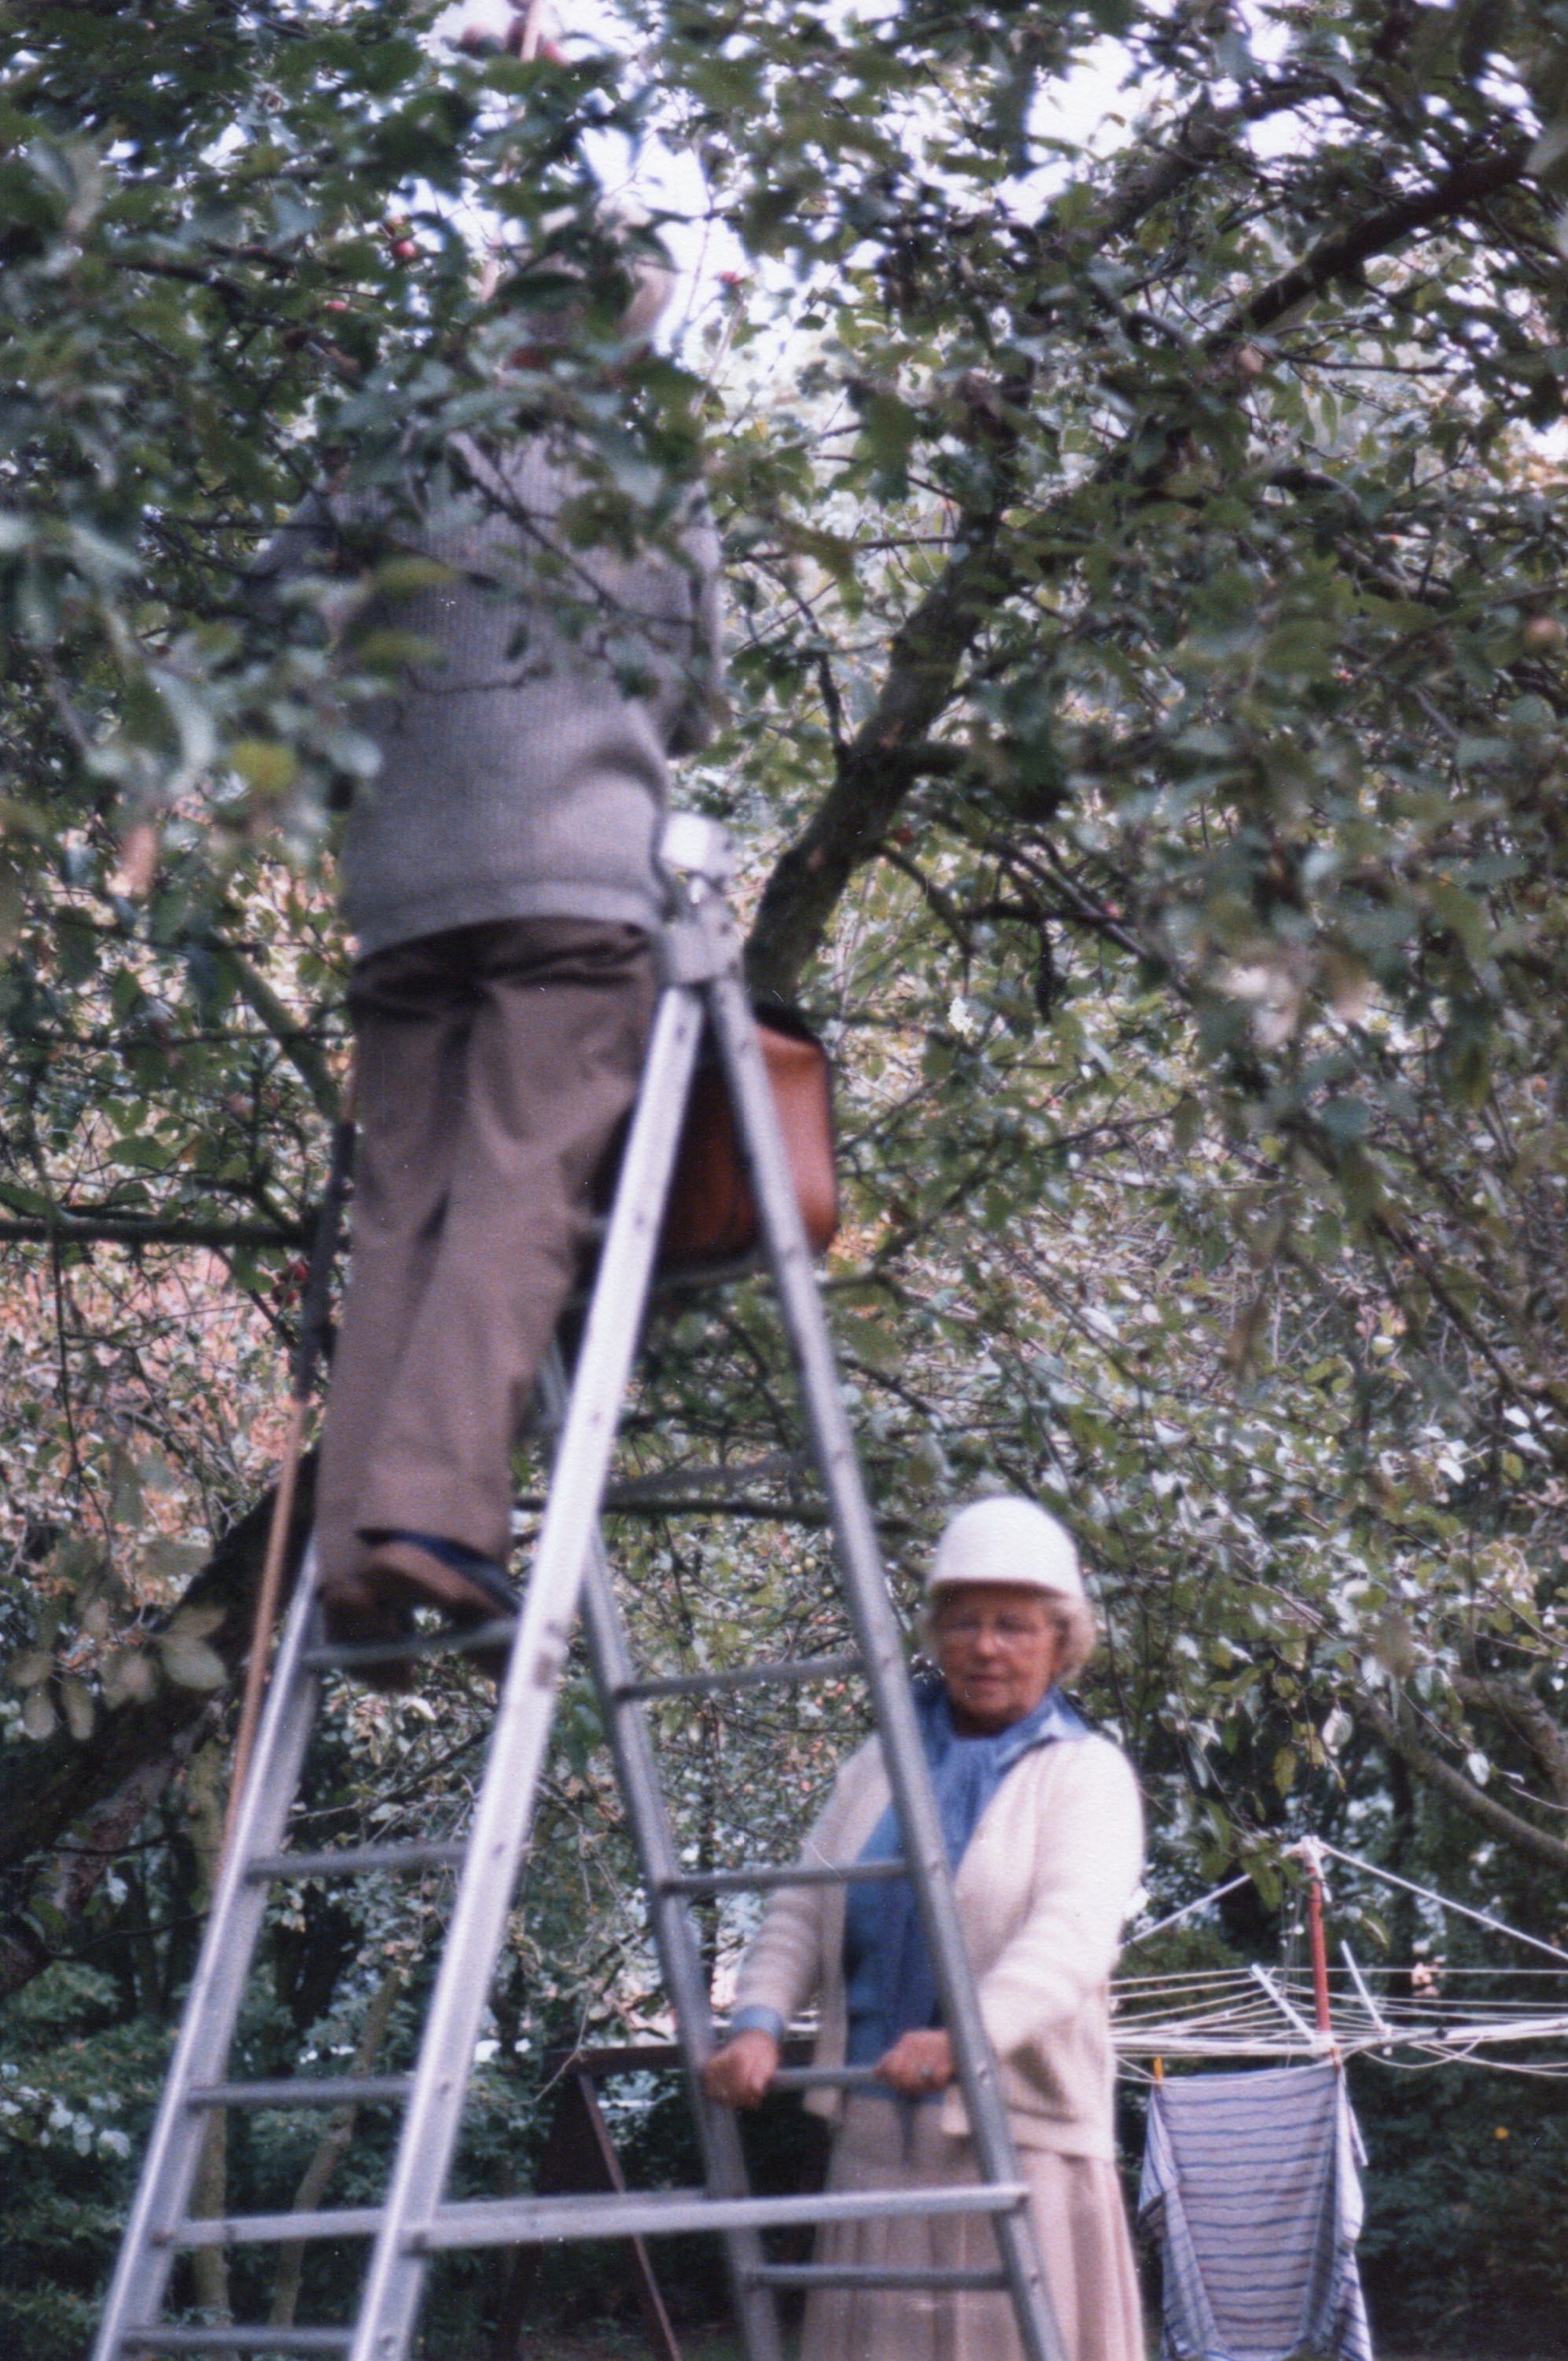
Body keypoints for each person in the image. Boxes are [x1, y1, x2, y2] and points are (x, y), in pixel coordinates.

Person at [251, 251, 723, 1685]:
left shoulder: (392, 441)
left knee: (406, 1199)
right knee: (522, 1183)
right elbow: (698, 691)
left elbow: (270, 617)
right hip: (572, 883)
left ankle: (346, 1558)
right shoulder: (645, 469)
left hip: (402, 884)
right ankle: (430, 1526)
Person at [702, 1495, 1147, 2361]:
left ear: (1062, 1642)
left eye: (1014, 1625)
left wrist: (960, 2038)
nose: (985, 1646)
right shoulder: (879, 1763)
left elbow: (1068, 1942)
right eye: (965, 1621)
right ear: (936, 1632)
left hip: (1020, 2149)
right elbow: (801, 1906)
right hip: (875, 2155)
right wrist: (757, 2022)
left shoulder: (1087, 1776)